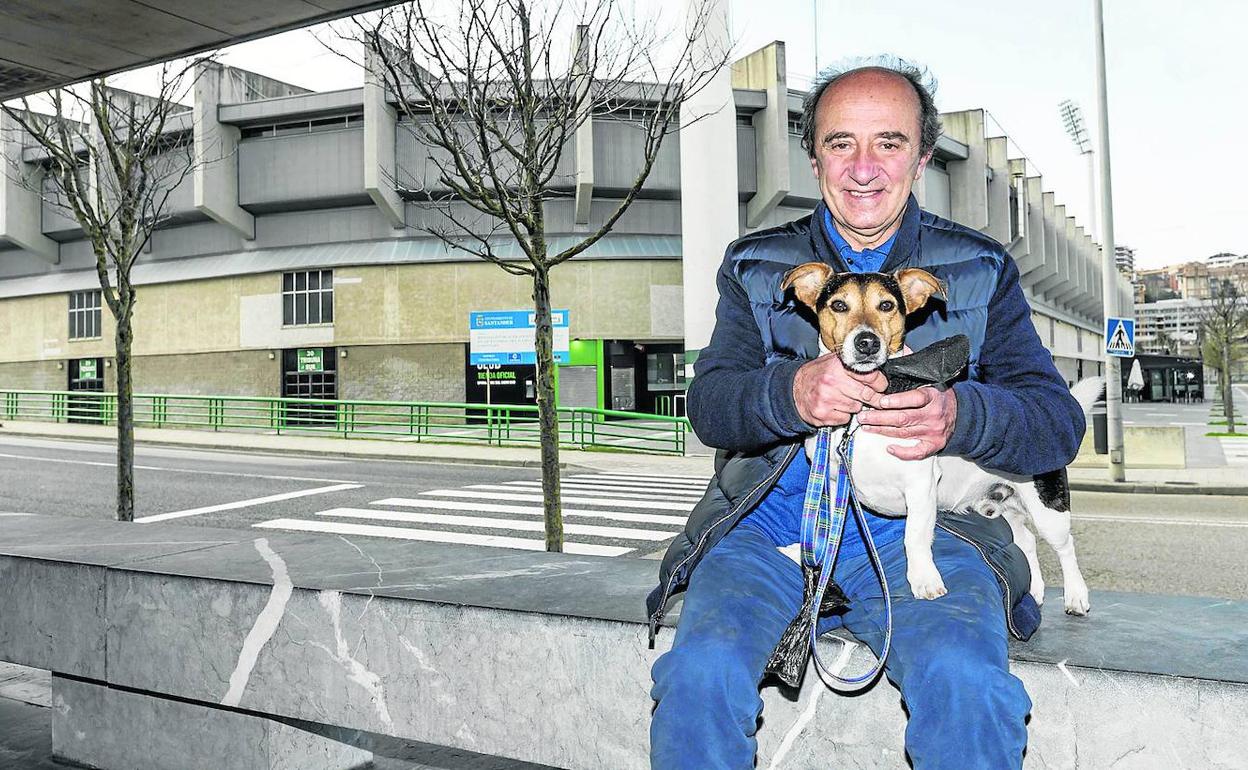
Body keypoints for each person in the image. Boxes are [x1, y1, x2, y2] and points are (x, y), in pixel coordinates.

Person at [646, 59, 1086, 769]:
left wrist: (959, 415)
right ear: (813, 155)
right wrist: (786, 393)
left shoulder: (978, 267)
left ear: (920, 156)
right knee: (698, 679)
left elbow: (1057, 423)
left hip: (924, 534)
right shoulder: (756, 265)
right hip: (768, 532)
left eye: (889, 141)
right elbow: (709, 405)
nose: (863, 166)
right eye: (841, 142)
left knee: (968, 684)